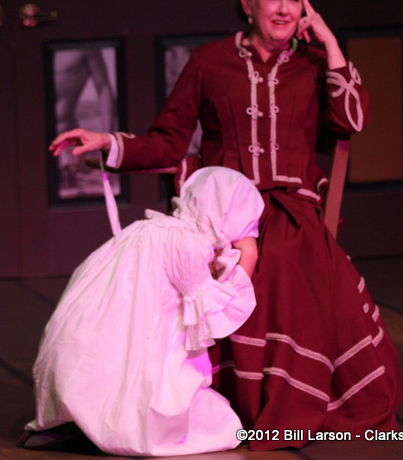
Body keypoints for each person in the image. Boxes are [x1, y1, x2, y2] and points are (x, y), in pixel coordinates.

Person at [49, 0, 402, 451]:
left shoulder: (313, 64)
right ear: (247, 3)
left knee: (285, 259)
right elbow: (169, 141)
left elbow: (351, 121)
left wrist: (329, 43)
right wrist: (108, 142)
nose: (284, 9)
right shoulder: (209, 62)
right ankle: (201, 402)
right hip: (222, 211)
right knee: (210, 264)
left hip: (292, 207)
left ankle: (282, 404)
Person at [20, 166, 264, 456]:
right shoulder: (189, 244)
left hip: (98, 331)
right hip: (140, 340)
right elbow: (213, 314)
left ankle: (76, 421)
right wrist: (249, 256)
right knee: (211, 420)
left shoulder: (149, 226)